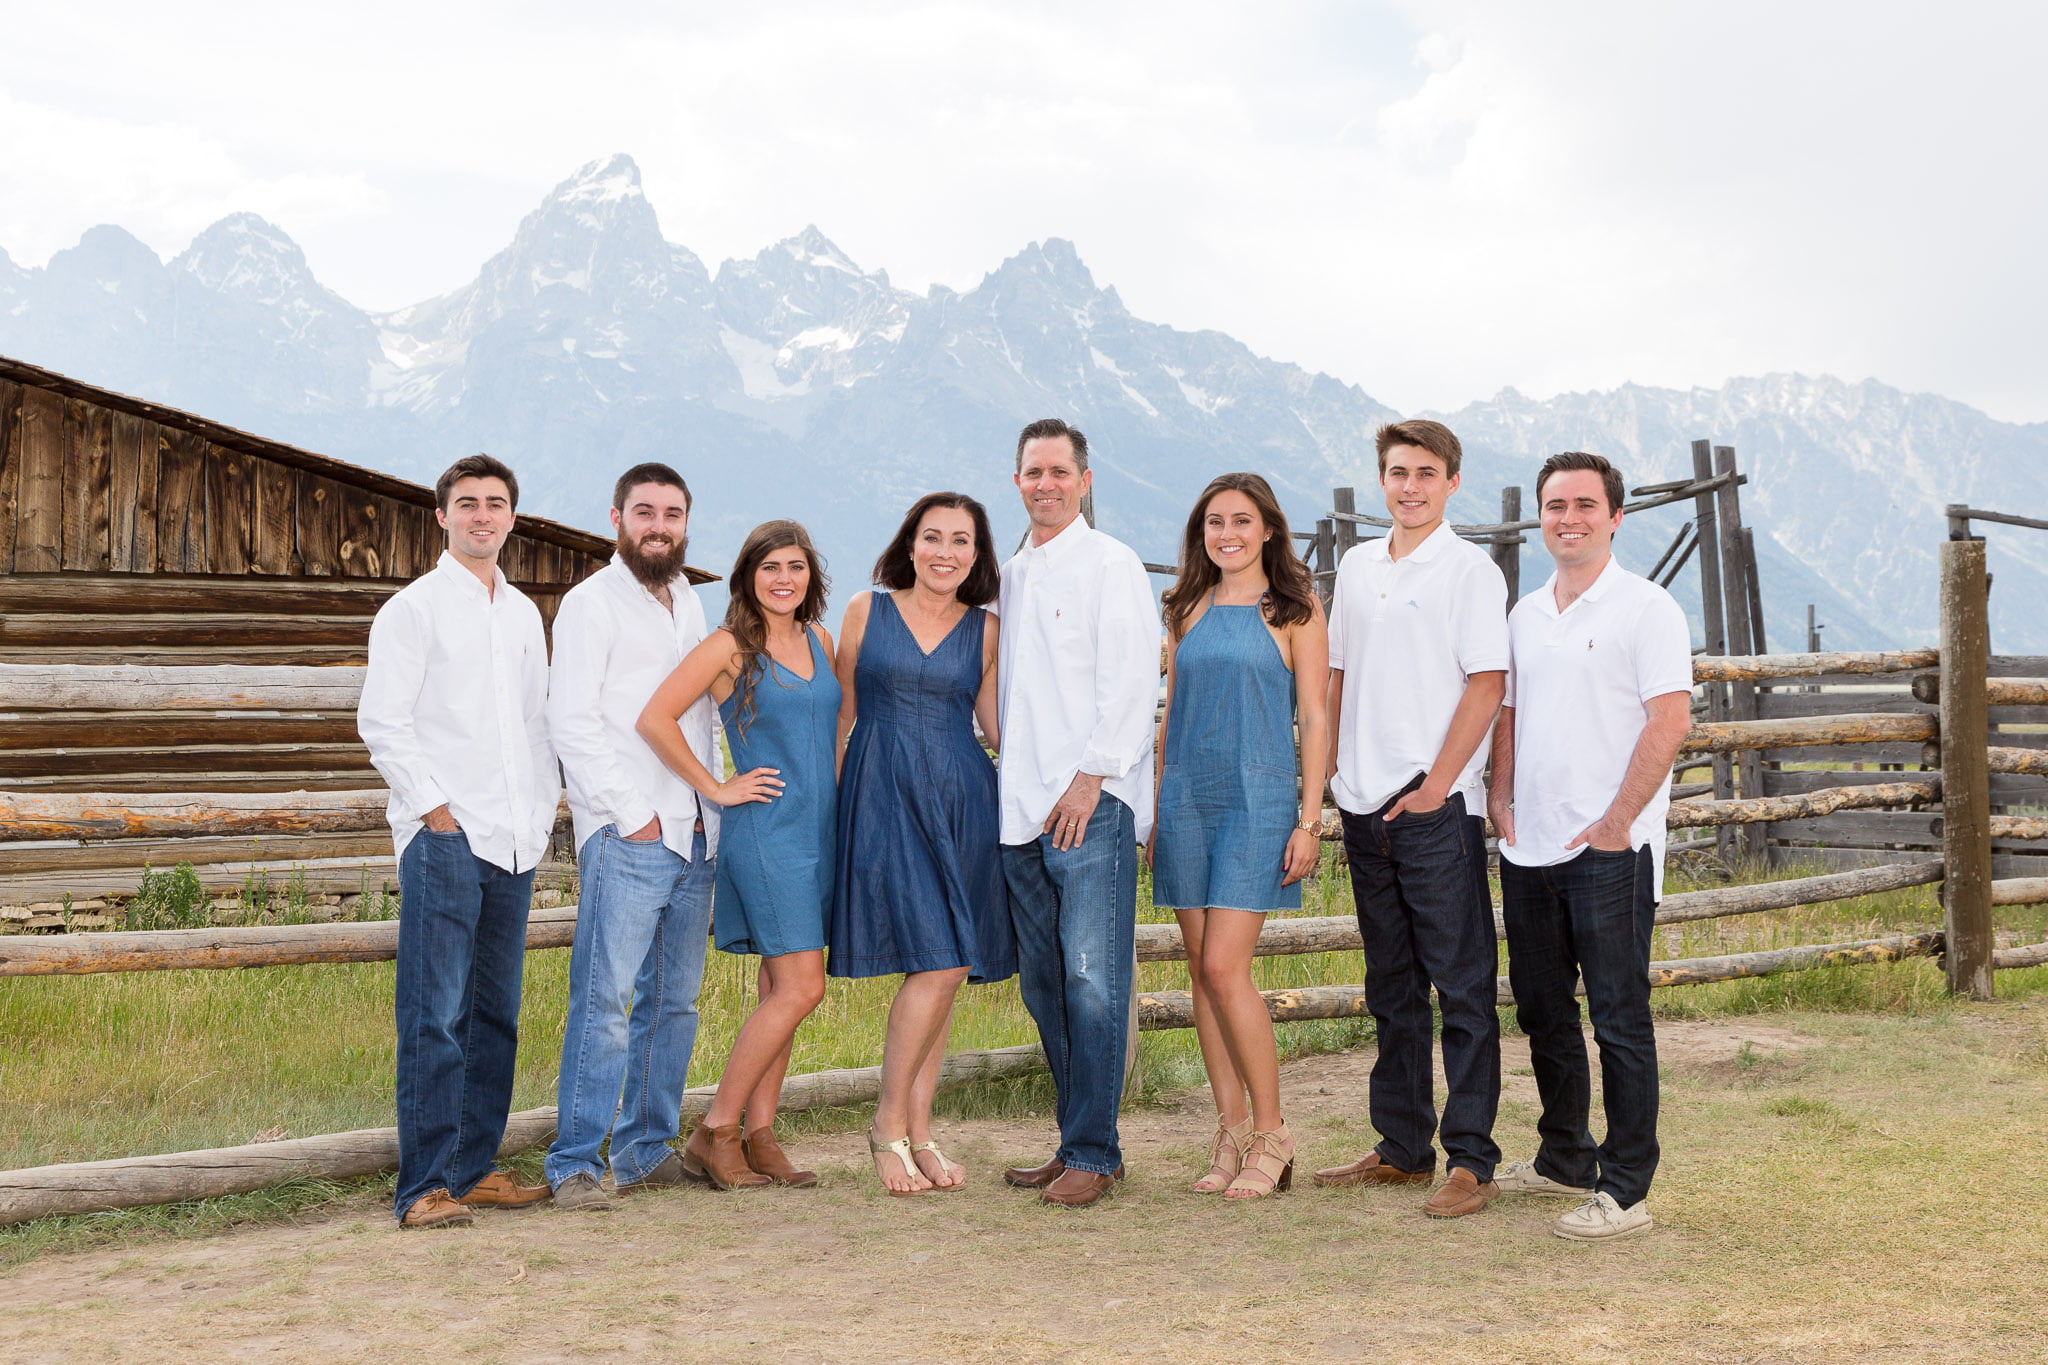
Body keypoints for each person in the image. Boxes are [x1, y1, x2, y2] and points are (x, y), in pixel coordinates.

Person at [1488, 451, 1693, 1242]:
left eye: (1583, 504)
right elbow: (1508, 714)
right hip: (1530, 844)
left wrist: (1615, 823)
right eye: (1553, 505)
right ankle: (1563, 1156)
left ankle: (1627, 1187)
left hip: (1610, 848)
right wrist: (1500, 795)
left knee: (1617, 1016)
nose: (1567, 518)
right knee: (1543, 1010)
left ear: (1614, 516)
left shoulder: (1647, 610)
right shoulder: (1525, 613)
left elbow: (1669, 721)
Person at [1309, 420, 1510, 1219]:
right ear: (1382, 479)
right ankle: (1401, 1147)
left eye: (1426, 472)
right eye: (1397, 471)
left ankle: (1472, 1159)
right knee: (1391, 986)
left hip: (1433, 808)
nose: (1410, 485)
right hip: (1361, 802)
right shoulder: (1358, 567)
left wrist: (1435, 787)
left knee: (1460, 986)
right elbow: (1335, 673)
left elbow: (1487, 684)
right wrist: (1325, 773)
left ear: (1451, 481)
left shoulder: (1470, 570)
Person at [358, 454, 558, 1230]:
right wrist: (436, 811)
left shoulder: (522, 615)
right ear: (442, 516)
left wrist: (539, 813)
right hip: (445, 834)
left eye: (496, 503)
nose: (482, 514)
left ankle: (473, 1170)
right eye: (467, 503)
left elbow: (537, 724)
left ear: (513, 517)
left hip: (514, 837)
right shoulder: (412, 610)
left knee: (495, 1014)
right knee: (434, 1014)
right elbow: (384, 721)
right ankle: (422, 1187)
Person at [543, 463, 726, 1213]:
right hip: (631, 830)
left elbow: (706, 712)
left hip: (697, 830)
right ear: (615, 517)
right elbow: (571, 720)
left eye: (672, 514)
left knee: (674, 1001)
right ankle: (576, 1163)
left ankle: (646, 1150)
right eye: (644, 512)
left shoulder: (689, 599)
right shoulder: (591, 605)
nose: (659, 526)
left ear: (687, 523)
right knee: (606, 999)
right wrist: (629, 813)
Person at [637, 521, 837, 1191]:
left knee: (781, 987)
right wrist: (716, 786)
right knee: (804, 986)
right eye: (770, 566)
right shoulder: (728, 647)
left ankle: (761, 1132)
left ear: (811, 575)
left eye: (796, 566)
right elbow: (655, 717)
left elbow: (832, 733)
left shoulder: (820, 641)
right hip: (766, 833)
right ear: (748, 575)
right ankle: (715, 1129)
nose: (784, 577)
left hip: (820, 832)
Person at [997, 418, 1162, 1209]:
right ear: (1018, 480)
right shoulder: (1012, 573)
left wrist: (1092, 776)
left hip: (1087, 803)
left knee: (1095, 980)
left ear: (1085, 479)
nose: (1046, 483)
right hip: (1020, 810)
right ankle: (1077, 1141)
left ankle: (1094, 1149)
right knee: (1045, 984)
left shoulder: (1112, 564)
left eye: (1060, 471)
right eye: (1033, 471)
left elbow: (1133, 681)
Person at [1149, 473, 1328, 1200]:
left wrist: (1309, 818)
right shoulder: (1184, 607)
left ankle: (1273, 1133)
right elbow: (1170, 712)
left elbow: (1314, 717)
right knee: (1197, 969)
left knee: (1227, 968)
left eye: (1242, 520)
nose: (1227, 533)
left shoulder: (1294, 609)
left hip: (1256, 802)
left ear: (1268, 530)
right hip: (1187, 796)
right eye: (1215, 521)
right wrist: (1160, 805)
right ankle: (1228, 1133)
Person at [830, 492, 1013, 1195]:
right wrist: (836, 809)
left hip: (964, 800)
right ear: (911, 544)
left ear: (976, 554)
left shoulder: (988, 630)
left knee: (948, 968)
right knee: (936, 964)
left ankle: (920, 1130)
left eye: (960, 541)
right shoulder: (863, 611)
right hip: (881, 799)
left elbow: (996, 730)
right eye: (932, 537)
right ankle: (886, 1125)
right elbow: (841, 716)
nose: (945, 552)